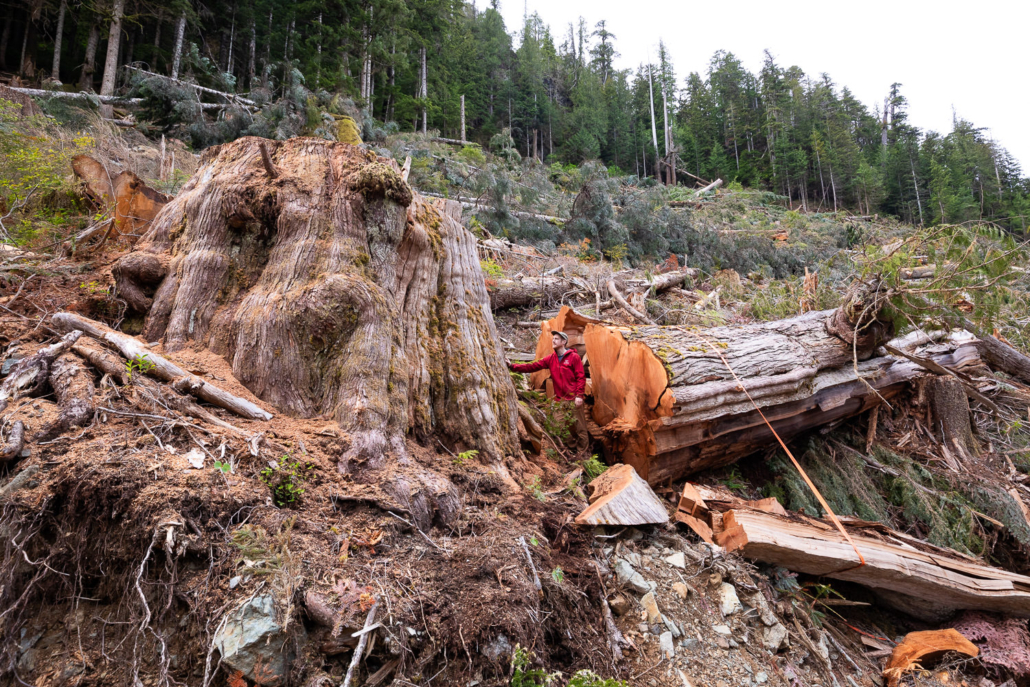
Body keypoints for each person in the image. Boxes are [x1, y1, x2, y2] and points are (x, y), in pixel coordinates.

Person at [507, 331, 589, 452]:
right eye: (553, 338)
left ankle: (583, 455)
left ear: (563, 342)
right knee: (558, 426)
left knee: (580, 428)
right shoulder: (551, 359)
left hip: (573, 398)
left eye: (556, 339)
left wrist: (579, 396)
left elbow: (580, 377)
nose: (553, 341)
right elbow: (533, 366)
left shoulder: (573, 357)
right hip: (559, 399)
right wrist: (513, 366)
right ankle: (572, 451)